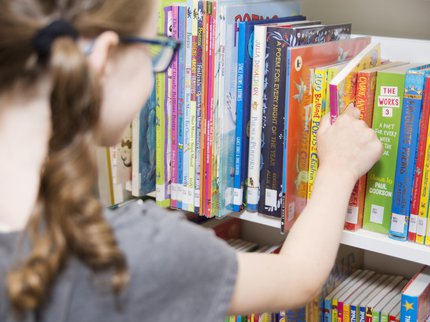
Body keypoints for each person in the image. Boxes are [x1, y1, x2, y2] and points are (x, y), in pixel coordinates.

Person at [0, 0, 383, 321]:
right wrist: (338, 167)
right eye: (154, 49)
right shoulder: (134, 250)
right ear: (104, 60)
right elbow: (298, 276)